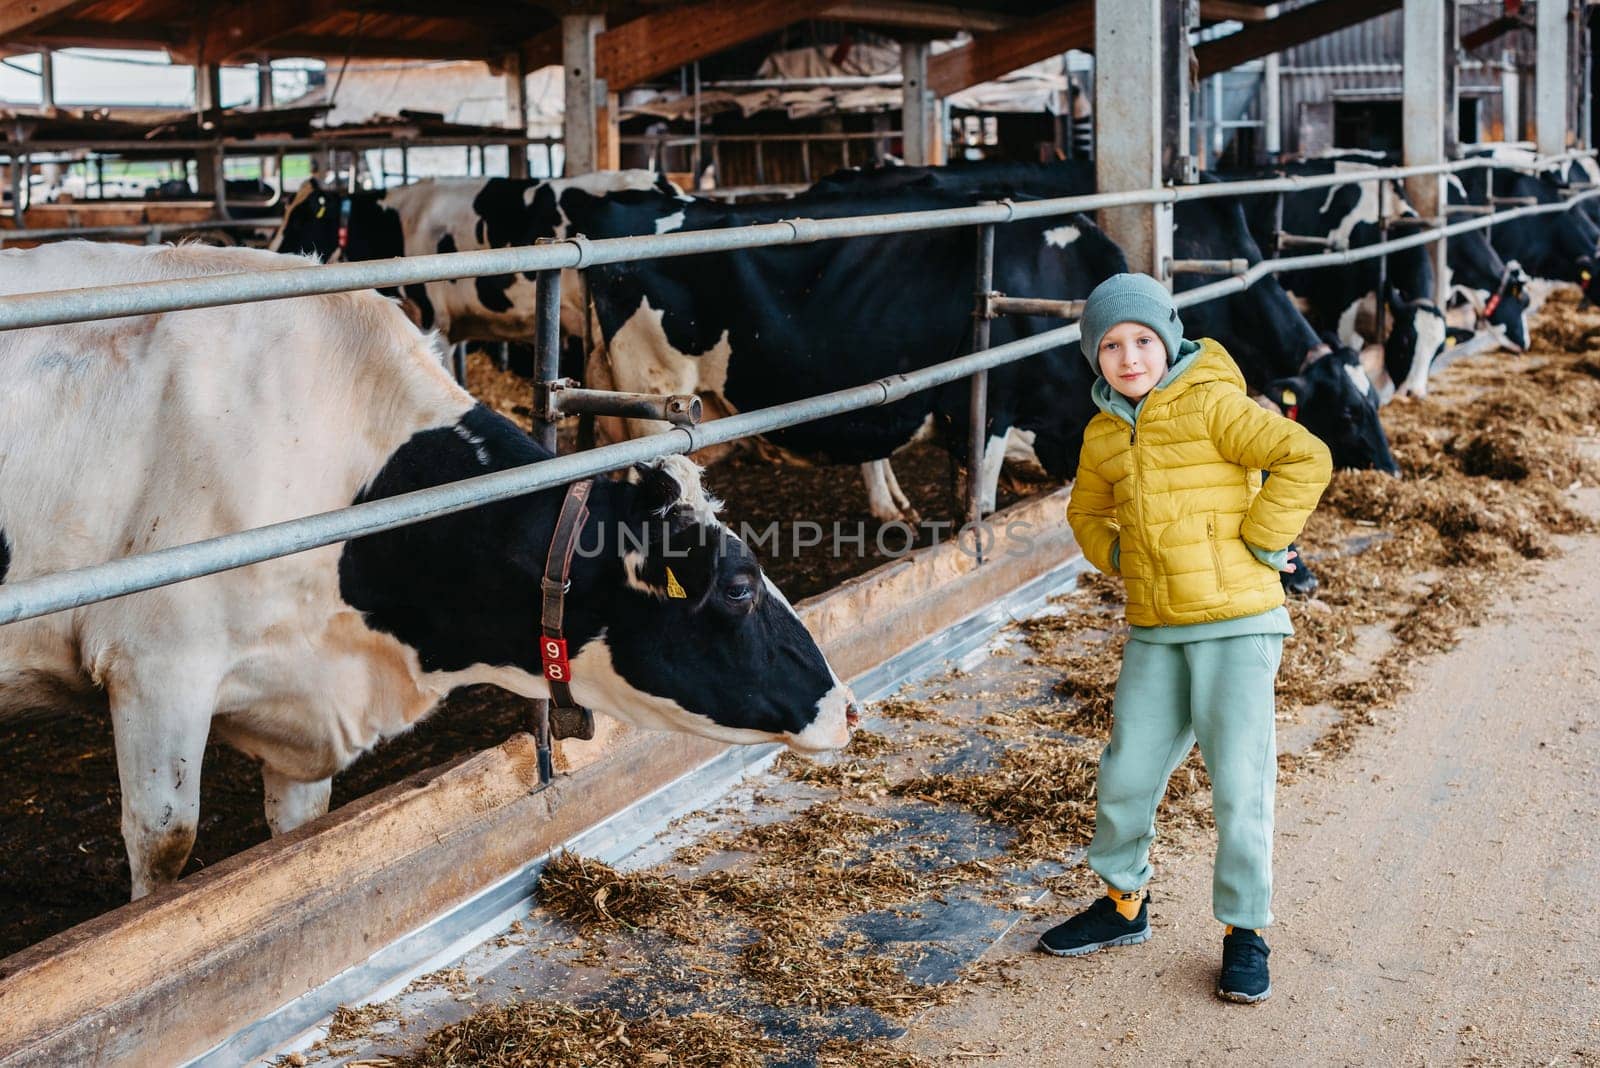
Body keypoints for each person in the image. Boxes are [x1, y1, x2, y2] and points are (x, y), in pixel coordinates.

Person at [1040, 273, 1332, 1004]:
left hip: (1237, 622)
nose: (1129, 357)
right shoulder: (1105, 431)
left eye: (1142, 340)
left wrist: (1265, 540)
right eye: (1110, 345)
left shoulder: (1212, 404)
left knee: (1239, 784)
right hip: (1156, 627)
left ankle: (1244, 930)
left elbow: (1306, 457)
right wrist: (1122, 558)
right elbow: (1085, 513)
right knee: (1126, 772)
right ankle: (1123, 905)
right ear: (1093, 356)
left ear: (1167, 339)